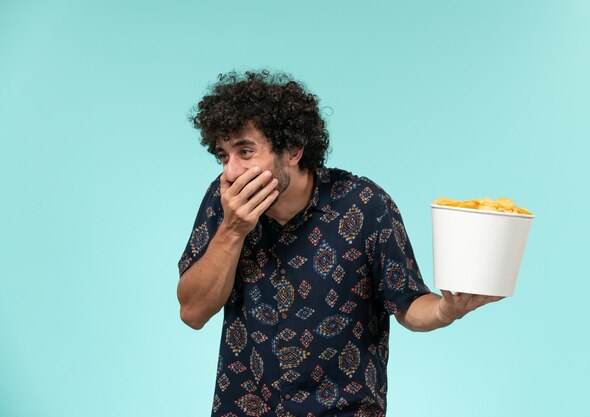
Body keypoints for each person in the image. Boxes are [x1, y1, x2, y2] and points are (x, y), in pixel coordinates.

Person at [177, 70, 502, 417]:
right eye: (224, 156)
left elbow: (407, 302)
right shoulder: (223, 201)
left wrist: (446, 310)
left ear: (293, 150)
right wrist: (232, 230)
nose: (230, 172)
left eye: (245, 151)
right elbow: (193, 312)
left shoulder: (364, 205)